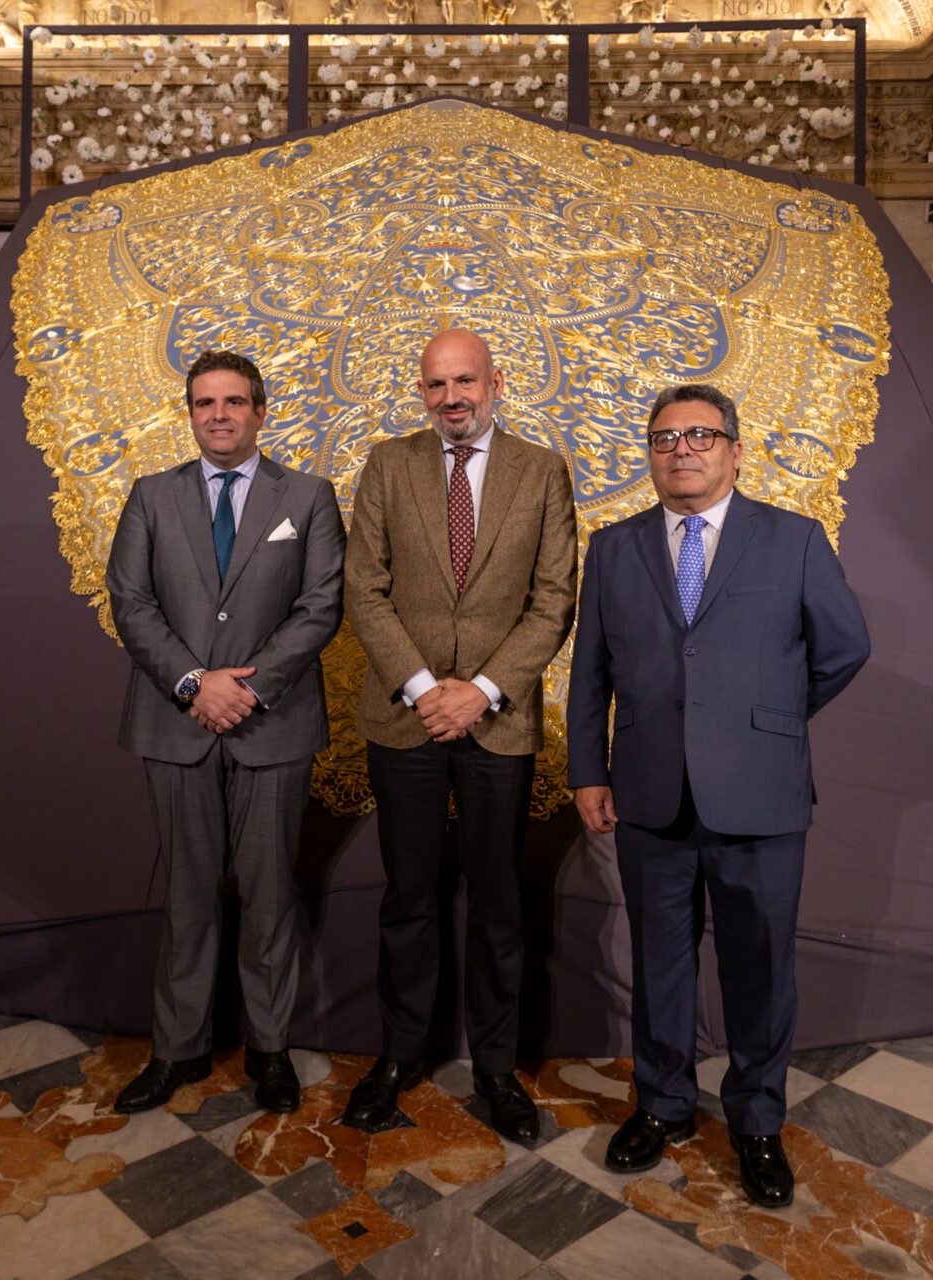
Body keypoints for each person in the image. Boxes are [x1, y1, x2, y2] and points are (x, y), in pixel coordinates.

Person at [565, 383, 869, 1206]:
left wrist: (767, 720)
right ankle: (661, 1107)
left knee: (760, 969)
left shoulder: (795, 539)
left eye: (701, 435)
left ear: (736, 449)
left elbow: (845, 647)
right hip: (649, 797)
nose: (683, 449)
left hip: (760, 796)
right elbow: (590, 673)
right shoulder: (615, 548)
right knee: (659, 964)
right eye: (665, 438)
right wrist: (587, 770)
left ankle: (758, 1121)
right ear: (651, 455)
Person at [339, 328, 578, 1143]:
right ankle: (399, 1059)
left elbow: (554, 601)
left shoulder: (543, 472)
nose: (452, 398)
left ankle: (498, 1070)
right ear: (423, 392)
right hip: (401, 719)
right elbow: (363, 591)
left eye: (465, 381)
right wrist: (422, 689)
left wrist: (477, 693)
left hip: (498, 722)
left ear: (496, 382)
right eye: (437, 385)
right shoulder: (387, 464)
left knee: (498, 906)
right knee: (408, 900)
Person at [106, 350, 345, 1115]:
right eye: (204, 402)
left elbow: (320, 606)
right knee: (186, 895)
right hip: (176, 725)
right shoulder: (150, 496)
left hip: (271, 725)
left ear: (260, 411)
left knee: (272, 895)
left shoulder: (307, 497)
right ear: (190, 411)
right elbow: (131, 601)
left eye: (234, 402)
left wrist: (246, 691)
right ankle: (178, 1050)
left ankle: (270, 1051)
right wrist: (192, 686)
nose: (219, 414)